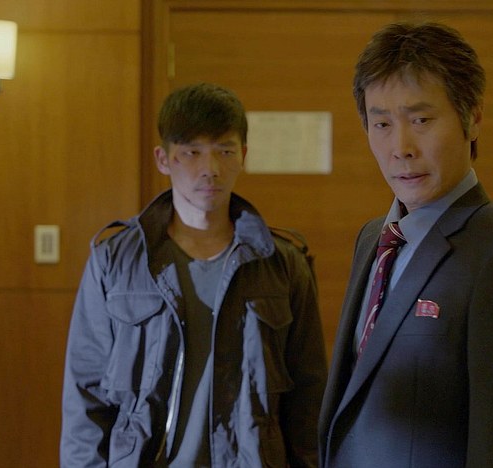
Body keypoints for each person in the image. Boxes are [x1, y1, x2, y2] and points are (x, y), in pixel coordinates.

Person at [318, 22, 493, 467]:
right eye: (382, 123)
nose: (401, 147)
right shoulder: (374, 238)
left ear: (473, 118)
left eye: (421, 120)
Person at [61, 82, 327, 467]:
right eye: (192, 152)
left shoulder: (282, 264)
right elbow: (85, 399)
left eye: (224, 151)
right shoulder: (115, 262)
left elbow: (308, 399)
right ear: (164, 159)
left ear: (243, 155)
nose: (210, 169)